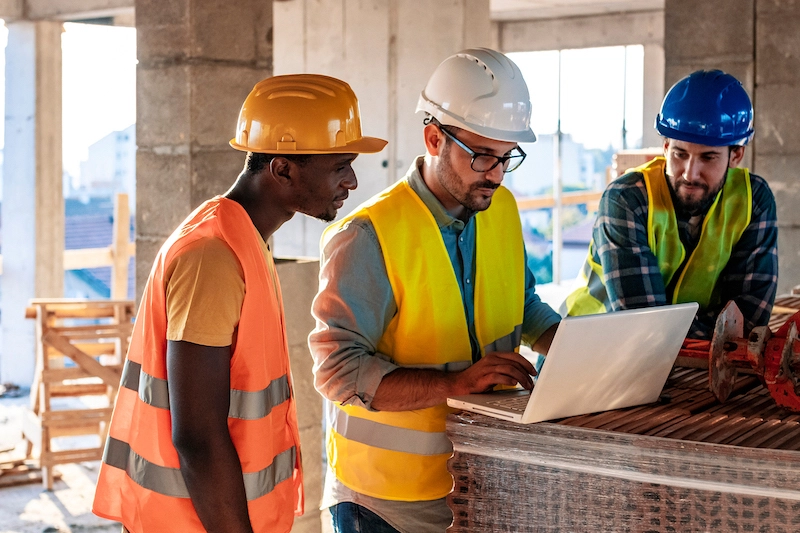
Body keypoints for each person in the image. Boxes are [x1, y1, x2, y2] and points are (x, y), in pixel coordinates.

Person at [92, 74, 387, 533]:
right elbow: (197, 437)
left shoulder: (245, 239)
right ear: (283, 169)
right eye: (340, 165)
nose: (351, 180)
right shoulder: (213, 256)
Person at [309, 48, 562, 533]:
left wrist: (576, 349)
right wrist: (454, 385)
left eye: (507, 157)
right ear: (434, 138)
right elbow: (337, 371)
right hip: (386, 503)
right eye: (483, 155)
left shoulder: (501, 210)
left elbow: (522, 305)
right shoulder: (368, 235)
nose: (496, 173)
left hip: (481, 477)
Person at [563, 69, 777, 338]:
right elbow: (645, 325)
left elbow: (748, 319)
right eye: (680, 154)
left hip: (681, 361)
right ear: (665, 147)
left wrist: (715, 334)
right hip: (585, 350)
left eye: (708, 157)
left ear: (736, 155)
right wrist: (718, 333)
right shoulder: (627, 200)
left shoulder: (753, 200)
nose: (690, 173)